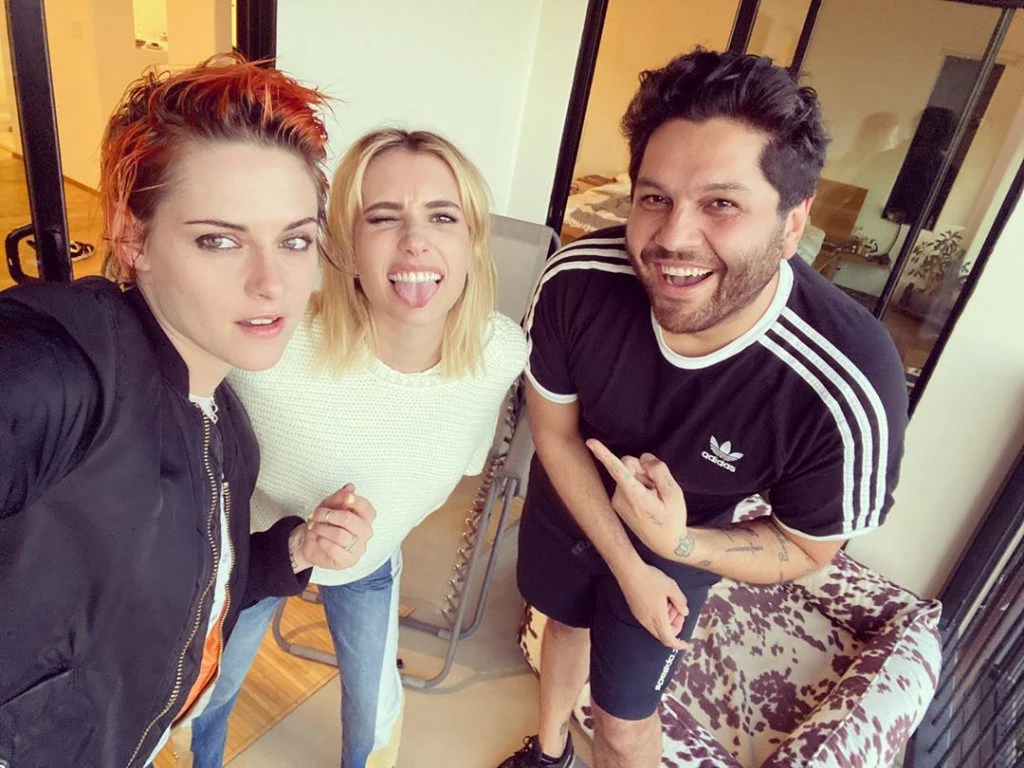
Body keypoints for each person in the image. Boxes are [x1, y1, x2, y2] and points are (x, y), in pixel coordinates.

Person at [500, 48, 909, 768]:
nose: (673, 239)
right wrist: (628, 565)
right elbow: (554, 433)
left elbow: (807, 546)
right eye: (654, 198)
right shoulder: (578, 281)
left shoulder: (847, 380)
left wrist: (678, 546)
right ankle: (550, 750)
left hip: (686, 537)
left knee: (623, 723)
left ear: (792, 223)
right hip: (570, 502)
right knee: (561, 626)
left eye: (721, 204)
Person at [0, 57, 377, 768]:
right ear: (132, 238)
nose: (271, 283)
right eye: (219, 239)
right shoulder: (59, 376)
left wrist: (294, 552)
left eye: (295, 239)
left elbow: (193, 579)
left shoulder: (226, 428)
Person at [189, 128, 528, 768]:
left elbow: (460, 459)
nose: (416, 241)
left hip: (371, 561)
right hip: (256, 552)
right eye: (383, 217)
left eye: (443, 216)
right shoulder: (275, 348)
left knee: (372, 715)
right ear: (343, 245)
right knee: (210, 692)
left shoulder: (500, 354)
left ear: (473, 241)